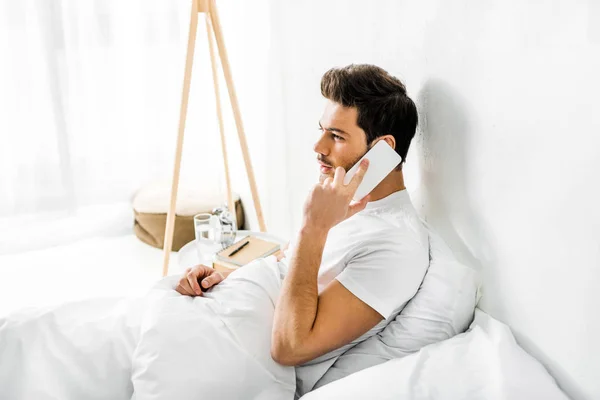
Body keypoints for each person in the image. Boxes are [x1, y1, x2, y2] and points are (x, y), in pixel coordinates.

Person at [175, 64, 429, 397]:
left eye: (336, 136)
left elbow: (290, 347)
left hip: (224, 354)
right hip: (213, 312)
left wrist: (314, 227)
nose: (318, 146)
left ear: (382, 149)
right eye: (322, 130)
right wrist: (226, 277)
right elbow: (290, 268)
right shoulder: (345, 201)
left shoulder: (397, 246)